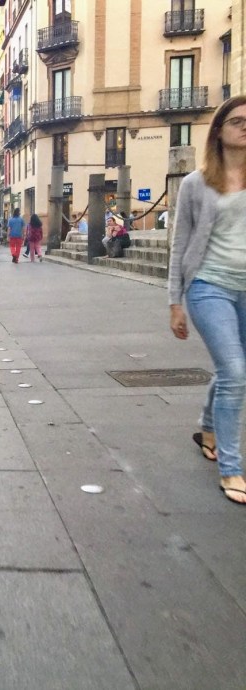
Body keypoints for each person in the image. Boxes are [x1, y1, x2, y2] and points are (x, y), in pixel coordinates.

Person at [170, 96, 246, 505]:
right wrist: (175, 302)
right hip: (208, 285)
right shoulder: (195, 184)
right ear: (218, 130)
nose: (245, 127)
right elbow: (179, 244)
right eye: (237, 121)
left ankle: (208, 427)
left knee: (234, 368)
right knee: (235, 371)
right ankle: (231, 469)